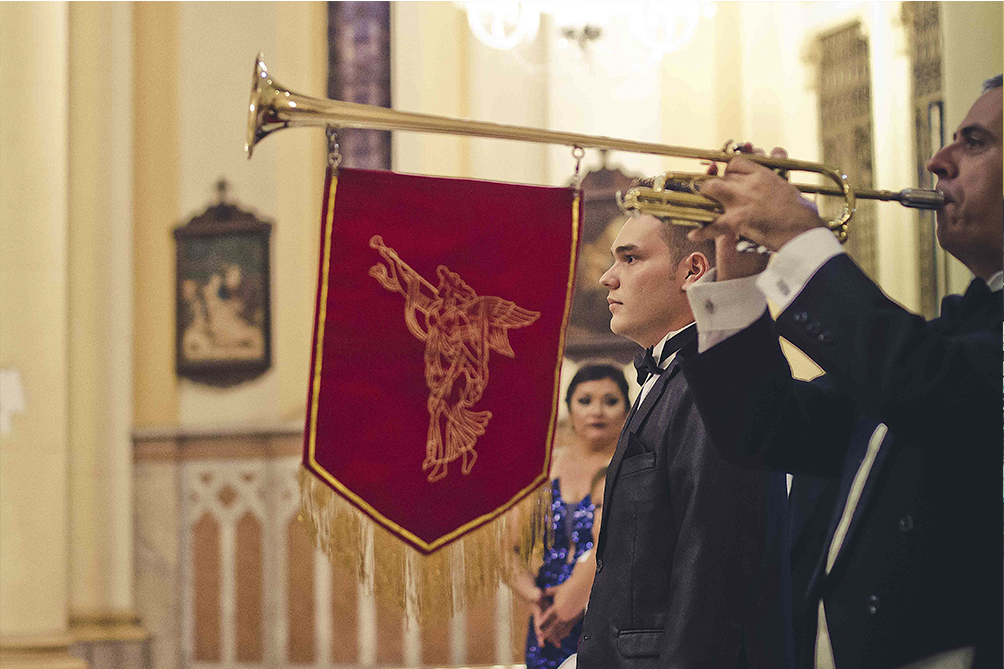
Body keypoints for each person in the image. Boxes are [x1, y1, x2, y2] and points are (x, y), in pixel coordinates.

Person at [682, 76, 1003, 669]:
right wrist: (737, 281)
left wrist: (799, 238)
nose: (938, 160)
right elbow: (768, 428)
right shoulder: (961, 327)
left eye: (976, 142)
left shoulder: (950, 358)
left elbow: (925, 388)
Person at [575, 213, 791, 668]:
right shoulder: (668, 375)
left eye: (630, 258)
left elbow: (713, 566)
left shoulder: (712, 382)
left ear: (692, 272)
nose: (606, 277)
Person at [509, 362, 629, 669]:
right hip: (548, 620)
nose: (597, 411)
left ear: (628, 411)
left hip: (613, 613)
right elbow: (508, 551)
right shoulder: (543, 469)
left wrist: (574, 598)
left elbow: (621, 545)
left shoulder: (633, 467)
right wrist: (536, 598)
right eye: (585, 400)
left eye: (611, 401)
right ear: (568, 409)